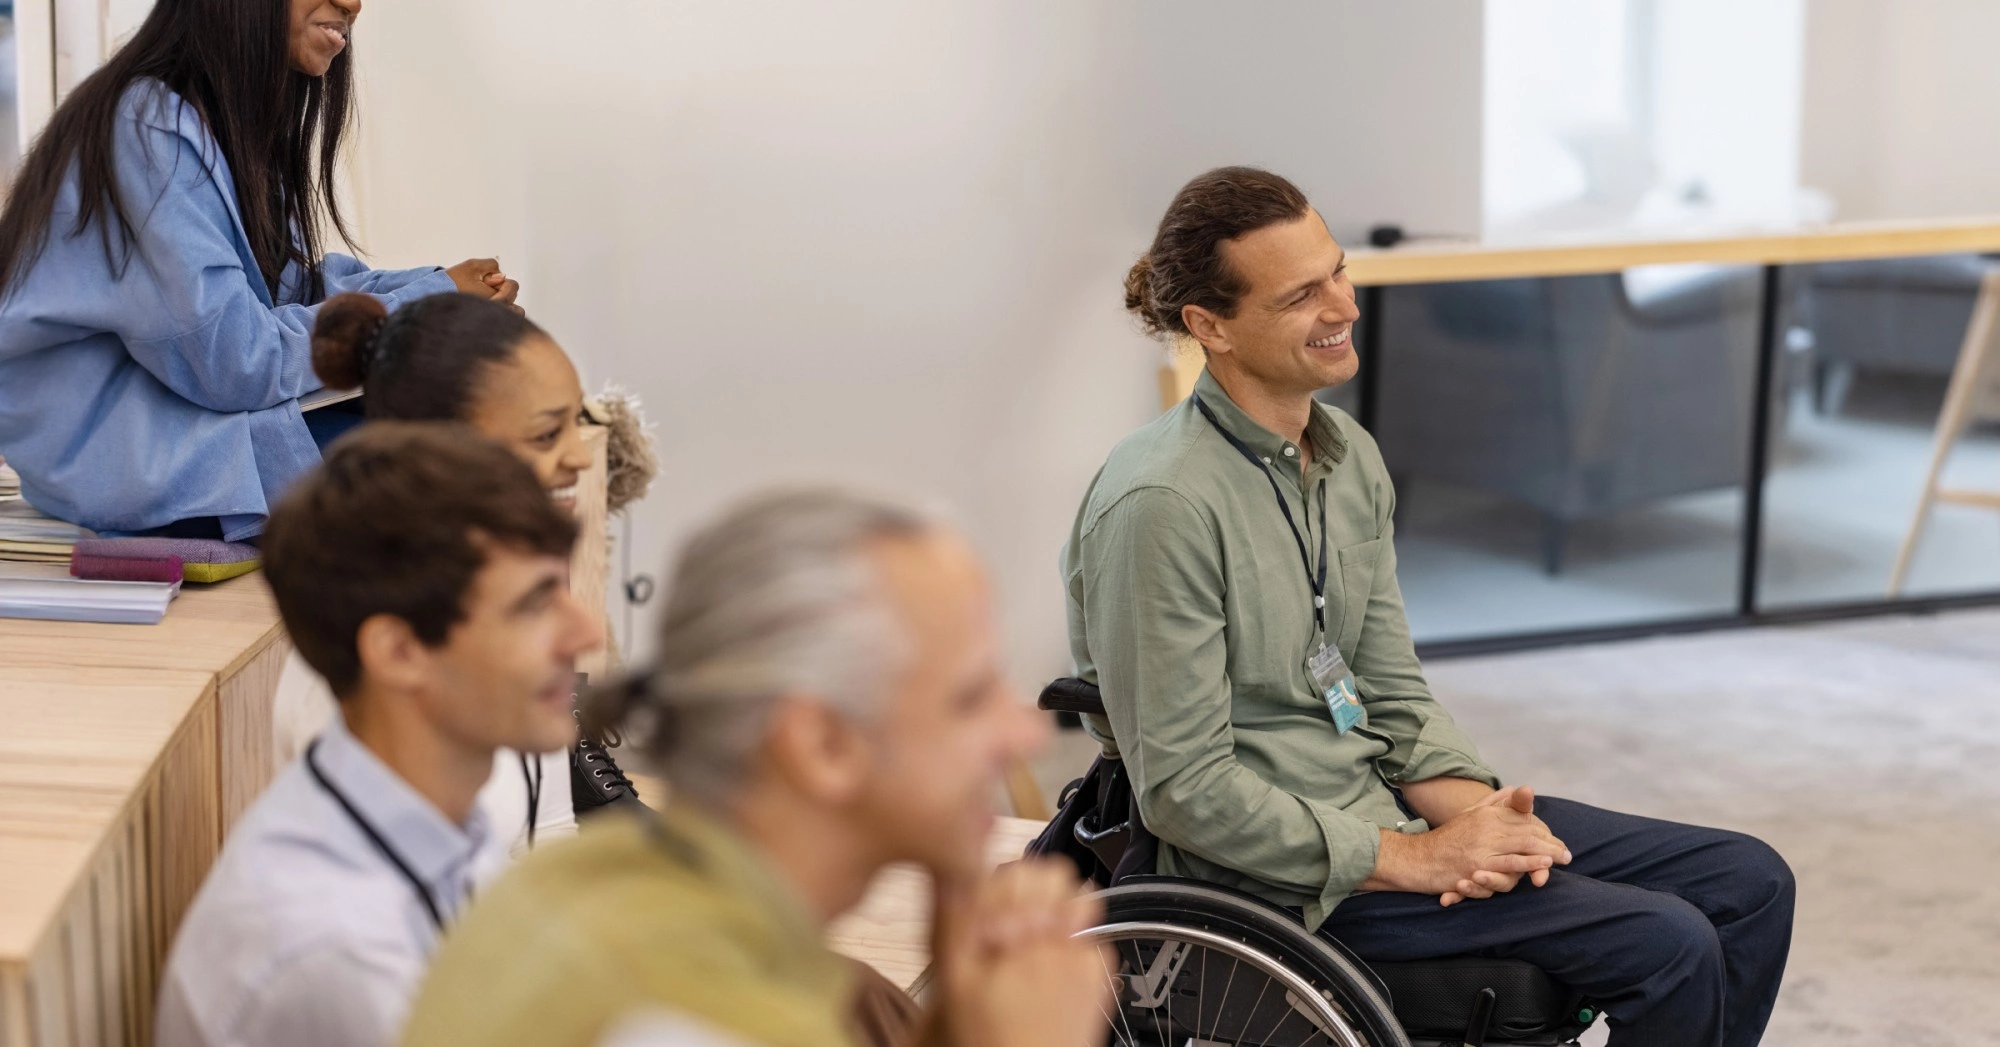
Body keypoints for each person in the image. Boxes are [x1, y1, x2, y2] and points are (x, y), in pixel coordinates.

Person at [1062, 166, 1794, 1047]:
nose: (1344, 305)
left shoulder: (1348, 459)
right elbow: (1186, 791)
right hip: (1277, 880)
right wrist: (1410, 857)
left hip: (1386, 811)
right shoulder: (1162, 506)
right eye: (1303, 294)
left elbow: (1389, 688)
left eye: (1338, 271)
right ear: (1208, 326)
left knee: (1750, 881)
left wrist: (1480, 818)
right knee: (1667, 944)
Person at [400, 489, 1111, 1047]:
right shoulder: (717, 1020)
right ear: (821, 744)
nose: (1021, 729)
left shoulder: (577, 884)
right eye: (968, 697)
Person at [0, 0, 518, 541]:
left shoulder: (222, 124)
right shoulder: (147, 126)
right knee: (458, 437)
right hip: (126, 463)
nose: (354, 5)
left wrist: (436, 298)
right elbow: (237, 362)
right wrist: (425, 303)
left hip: (193, 432)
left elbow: (290, 290)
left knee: (475, 395)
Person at [155, 423, 601, 1047]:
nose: (586, 635)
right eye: (534, 604)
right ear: (399, 651)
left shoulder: (438, 824)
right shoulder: (337, 957)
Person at [271, 291, 647, 850]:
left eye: (577, 423)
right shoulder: (364, 672)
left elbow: (549, 836)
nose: (581, 457)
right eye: (547, 434)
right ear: (443, 447)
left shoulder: (514, 603)